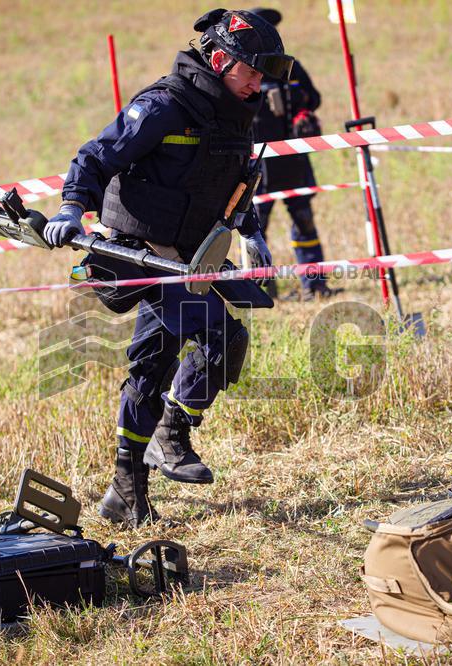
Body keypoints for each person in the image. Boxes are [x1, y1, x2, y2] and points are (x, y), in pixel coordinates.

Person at [31, 9, 293, 527]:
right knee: (221, 340)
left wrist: (252, 231)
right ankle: (171, 434)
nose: (259, 84)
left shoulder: (235, 112)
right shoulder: (164, 105)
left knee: (151, 371)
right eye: (252, 72)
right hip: (142, 252)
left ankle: (124, 494)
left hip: (191, 255)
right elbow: (94, 157)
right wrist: (69, 209)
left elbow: (235, 180)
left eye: (263, 75)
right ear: (219, 60)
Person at [249, 7, 339, 300]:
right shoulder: (245, 70)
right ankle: (263, 288)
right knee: (256, 229)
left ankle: (314, 284)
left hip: (294, 159)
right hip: (259, 164)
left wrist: (302, 112)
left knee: (304, 220)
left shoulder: (291, 67)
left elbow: (313, 97)